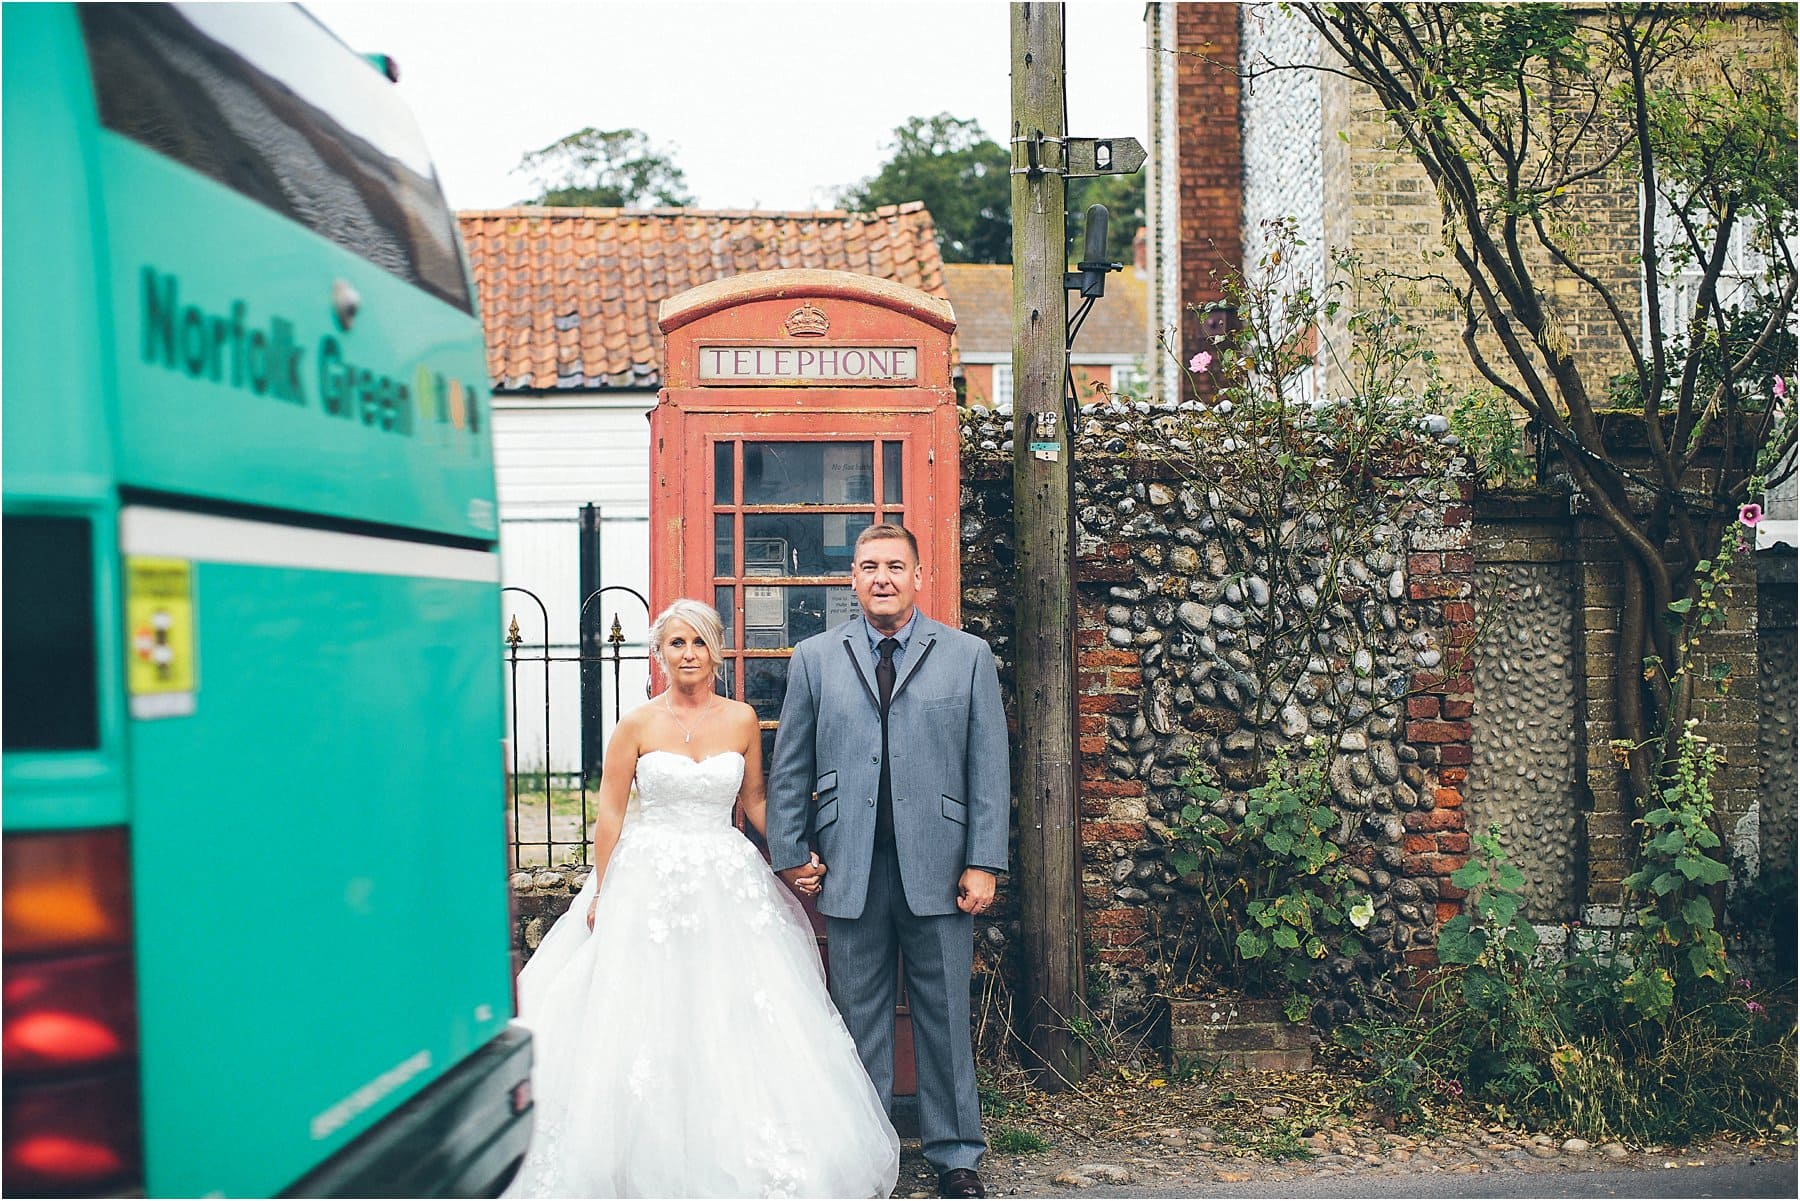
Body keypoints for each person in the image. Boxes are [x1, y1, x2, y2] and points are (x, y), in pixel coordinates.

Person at [504, 599, 899, 1199]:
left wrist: (796, 854)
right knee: (642, 1010)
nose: (687, 654)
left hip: (725, 876)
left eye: (698, 643)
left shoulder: (742, 719)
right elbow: (610, 812)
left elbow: (758, 801)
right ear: (658, 654)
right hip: (646, 881)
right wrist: (601, 887)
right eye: (675, 644)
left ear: (715, 650)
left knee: (730, 1010)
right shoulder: (635, 725)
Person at [767, 524, 1010, 1200]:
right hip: (849, 868)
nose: (881, 577)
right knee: (857, 1022)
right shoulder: (815, 657)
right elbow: (790, 767)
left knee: (944, 1021)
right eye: (869, 565)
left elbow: (989, 765)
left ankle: (956, 1155)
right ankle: (864, 1155)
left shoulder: (966, 656)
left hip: (940, 866)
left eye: (895, 566)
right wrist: (790, 854)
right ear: (851, 578)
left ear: (918, 576)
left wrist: (984, 859)